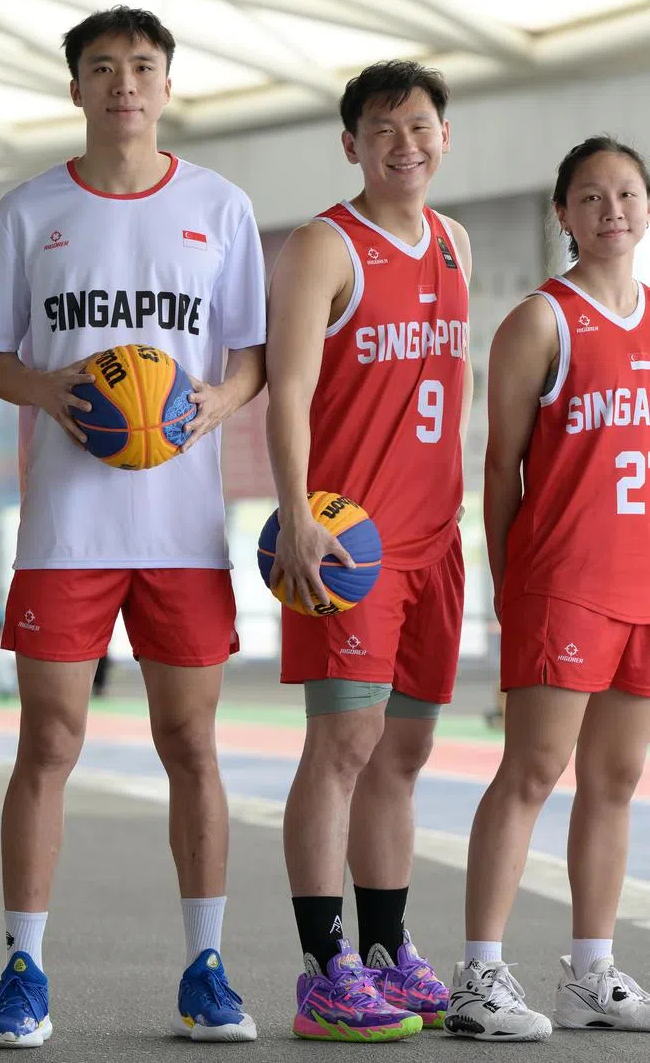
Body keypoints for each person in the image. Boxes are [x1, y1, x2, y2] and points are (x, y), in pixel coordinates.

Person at [0, 5, 266, 1047]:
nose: (123, 84)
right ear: (77, 88)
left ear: (168, 84)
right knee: (46, 741)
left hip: (182, 532)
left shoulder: (221, 207)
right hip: (65, 529)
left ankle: (205, 969)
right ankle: (24, 968)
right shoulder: (28, 211)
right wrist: (53, 393)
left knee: (192, 742)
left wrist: (211, 408)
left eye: (142, 66)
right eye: (102, 68)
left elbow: (251, 359)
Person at [265, 60, 472, 1040]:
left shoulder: (458, 244)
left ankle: (388, 949)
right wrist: (297, 511)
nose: (405, 144)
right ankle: (321, 968)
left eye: (422, 127)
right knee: (342, 744)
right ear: (352, 144)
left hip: (438, 541)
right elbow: (290, 392)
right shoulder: (323, 246)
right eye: (383, 129)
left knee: (407, 750)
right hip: (351, 543)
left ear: (443, 137)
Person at [445, 137, 650, 1040]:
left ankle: (591, 971)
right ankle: (479, 978)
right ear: (562, 214)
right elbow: (498, 470)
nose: (613, 209)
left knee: (617, 778)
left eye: (628, 194)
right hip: (561, 582)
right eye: (592, 197)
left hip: (641, 584)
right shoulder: (541, 320)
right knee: (531, 771)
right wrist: (506, 582)